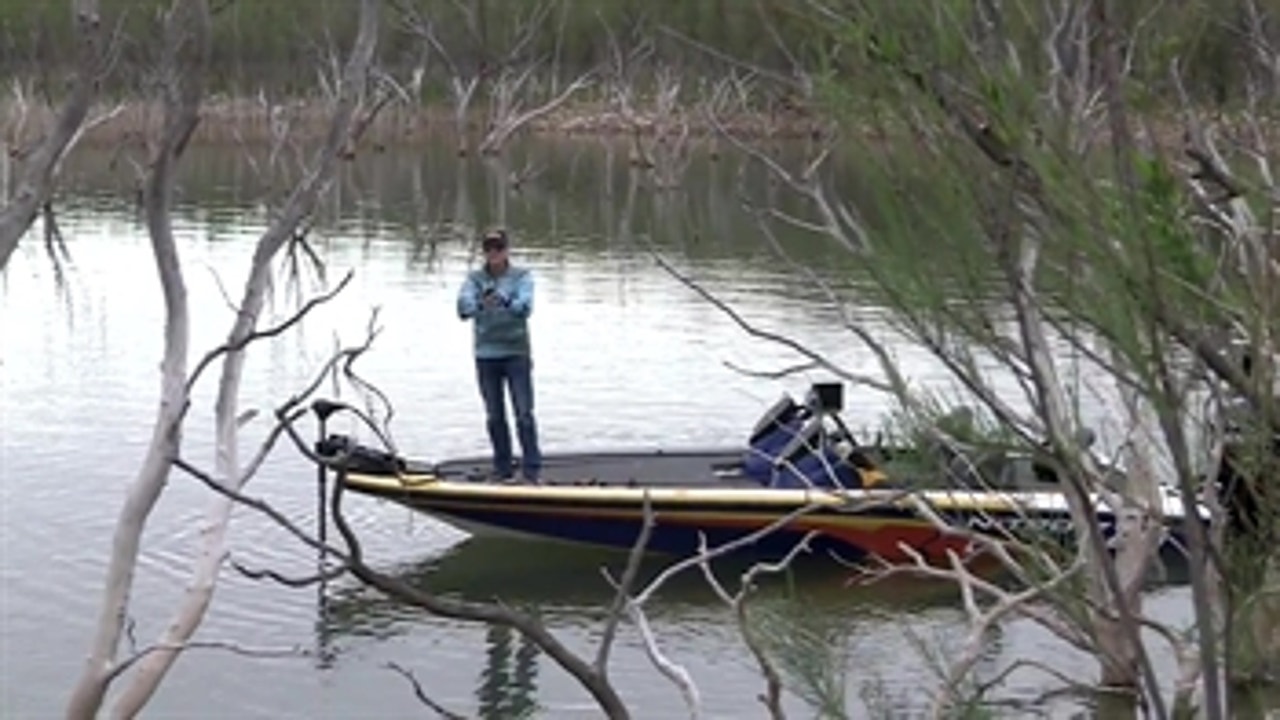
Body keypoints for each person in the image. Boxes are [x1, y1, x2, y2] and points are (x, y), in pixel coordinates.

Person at [456, 228, 542, 483]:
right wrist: (481, 302)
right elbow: (463, 308)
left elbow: (525, 307)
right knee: (495, 416)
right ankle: (502, 468)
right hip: (486, 355)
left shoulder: (521, 276)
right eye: (489, 249)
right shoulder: (474, 279)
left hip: (516, 353)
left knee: (524, 413)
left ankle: (531, 470)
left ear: (507, 251)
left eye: (499, 248)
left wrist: (504, 300)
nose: (494, 253)